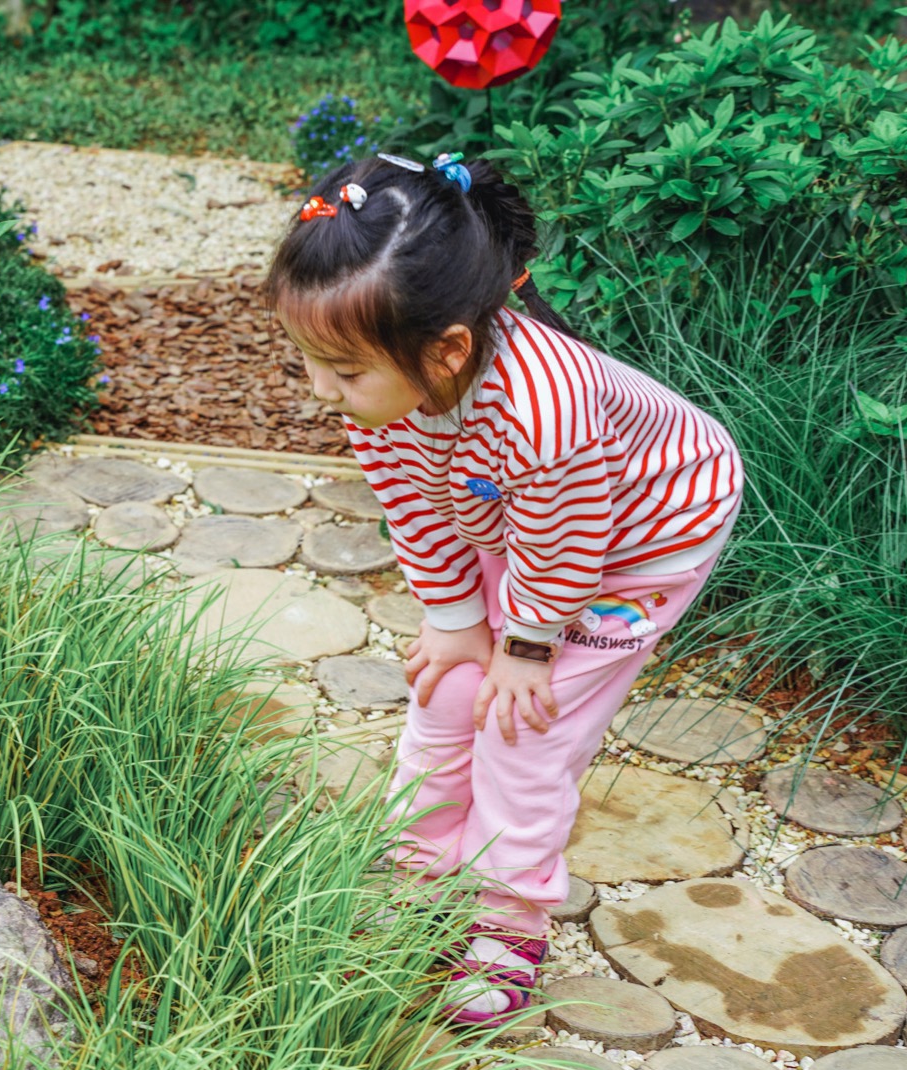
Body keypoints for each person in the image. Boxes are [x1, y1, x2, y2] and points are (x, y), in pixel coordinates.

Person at [264, 152, 743, 1024]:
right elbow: (415, 502)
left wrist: (526, 645)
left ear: (446, 350)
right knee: (449, 689)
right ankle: (415, 871)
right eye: (310, 360)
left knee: (526, 726)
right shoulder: (388, 394)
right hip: (516, 514)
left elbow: (569, 544)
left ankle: (507, 919)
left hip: (641, 533)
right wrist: (455, 621)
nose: (320, 391)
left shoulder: (541, 410)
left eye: (341, 369)